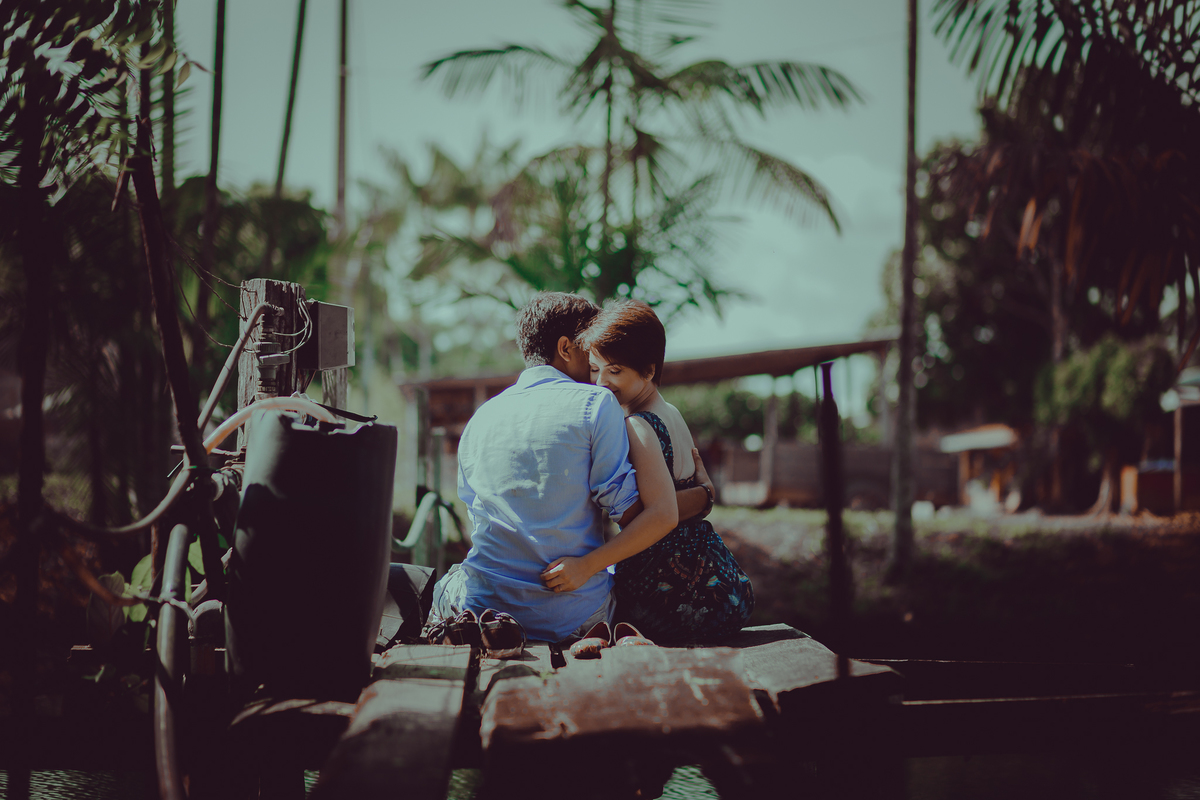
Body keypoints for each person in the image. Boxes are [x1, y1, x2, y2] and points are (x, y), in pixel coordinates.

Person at [429, 292, 711, 644]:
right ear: (566, 348)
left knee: (445, 583)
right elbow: (638, 515)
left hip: (484, 606)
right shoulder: (596, 403)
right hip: (573, 615)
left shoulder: (481, 418)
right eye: (589, 351)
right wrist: (701, 497)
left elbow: (479, 516)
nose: (596, 363)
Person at [544, 299, 754, 643]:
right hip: (718, 585)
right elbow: (689, 494)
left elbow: (661, 515)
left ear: (649, 371)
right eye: (596, 370)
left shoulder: (636, 426)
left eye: (615, 371)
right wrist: (705, 495)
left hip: (671, 596)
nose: (602, 383)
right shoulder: (671, 411)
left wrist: (587, 565)